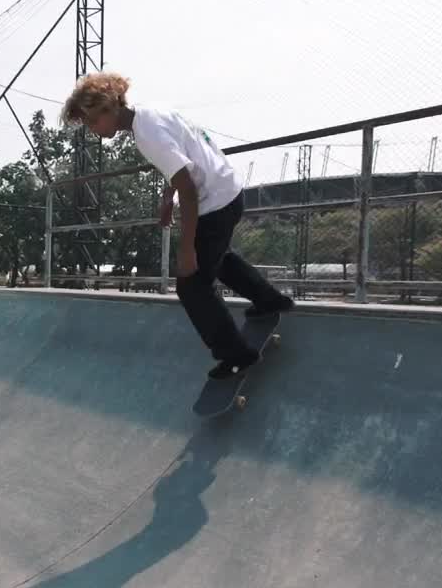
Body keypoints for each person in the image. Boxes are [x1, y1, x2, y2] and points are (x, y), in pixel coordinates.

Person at [60, 71, 293, 379]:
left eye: (92, 122)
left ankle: (236, 355)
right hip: (229, 191)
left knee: (191, 284)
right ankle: (270, 300)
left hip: (214, 203)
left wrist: (185, 249)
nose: (93, 131)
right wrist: (168, 196)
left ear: (109, 108)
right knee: (216, 258)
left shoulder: (147, 135)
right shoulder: (151, 113)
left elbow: (189, 188)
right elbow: (183, 164)